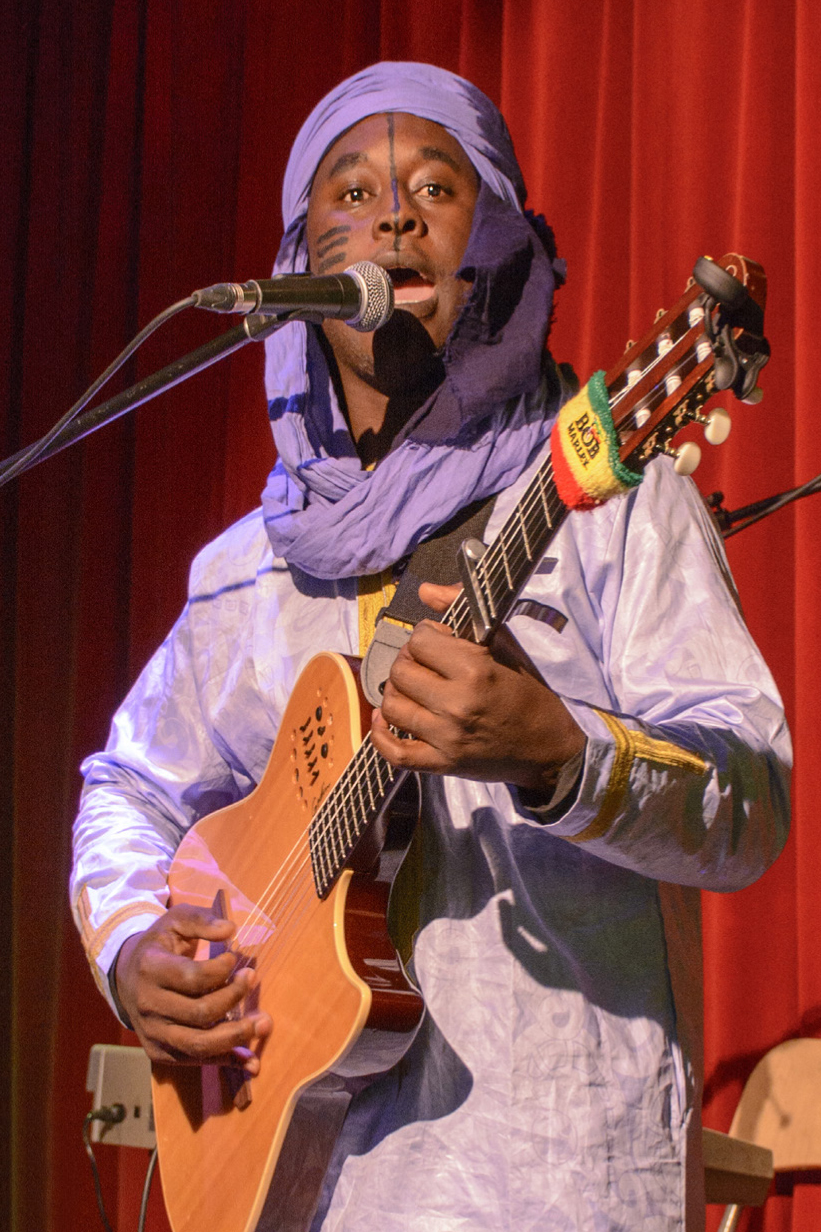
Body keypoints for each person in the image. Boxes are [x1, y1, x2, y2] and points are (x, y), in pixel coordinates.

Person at [71, 62, 790, 1231]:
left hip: (553, 1184)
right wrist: (133, 941)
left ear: (495, 246)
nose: (392, 217)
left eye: (435, 189)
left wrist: (560, 755)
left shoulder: (616, 502)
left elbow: (749, 797)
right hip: (304, 1194)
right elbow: (126, 789)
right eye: (349, 193)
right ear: (300, 266)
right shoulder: (246, 571)